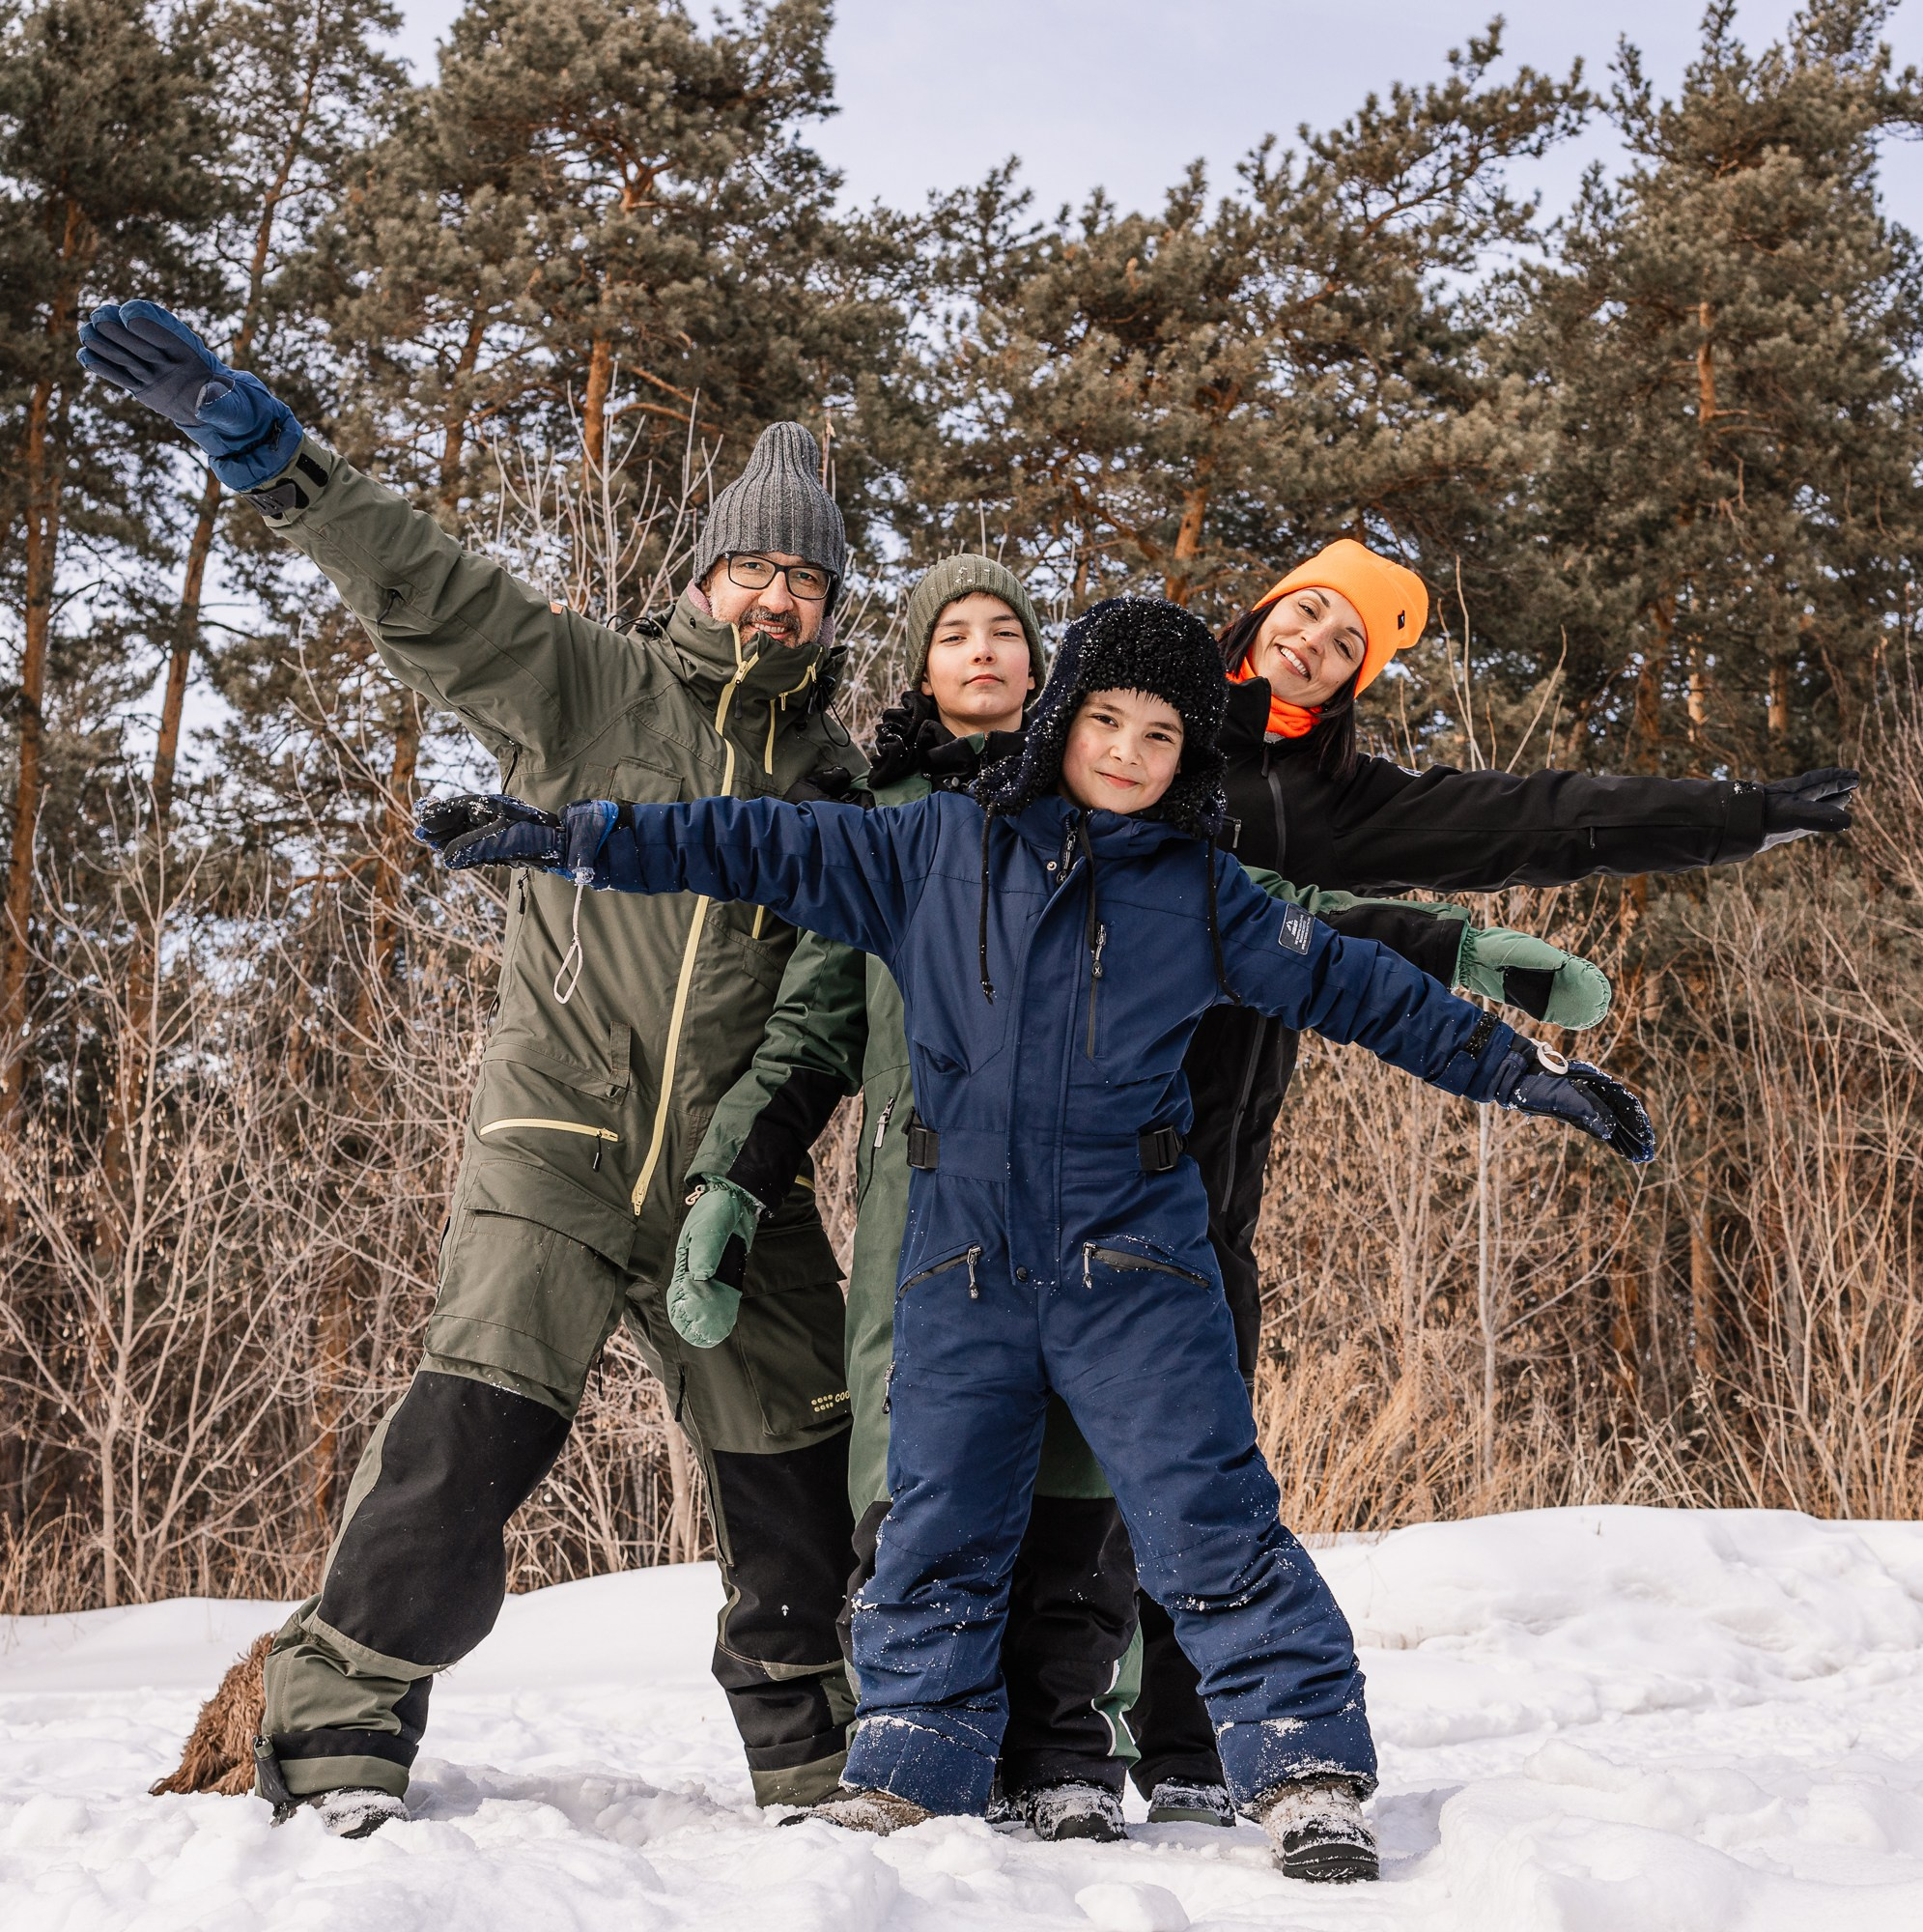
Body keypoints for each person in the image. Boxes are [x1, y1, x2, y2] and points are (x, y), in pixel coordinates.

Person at [415, 595, 1654, 1882]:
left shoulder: (1208, 895)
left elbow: (1368, 991)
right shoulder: (933, 850)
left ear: (1188, 757)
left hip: (1136, 1261)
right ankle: (910, 1766)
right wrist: (574, 836)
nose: (1127, 752)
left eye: (1161, 734)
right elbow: (752, 843)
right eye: (1106, 719)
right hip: (964, 1259)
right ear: (1062, 719)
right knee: (938, 1525)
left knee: (1206, 1516)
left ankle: (1306, 1767)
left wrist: (1534, 1078)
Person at [77, 301, 869, 1833]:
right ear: (703, 576)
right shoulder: (588, 688)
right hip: (559, 1146)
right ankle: (338, 1731)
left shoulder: (834, 783)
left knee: (797, 1462)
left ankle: (812, 1758)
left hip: (732, 1182)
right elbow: (422, 586)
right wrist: (278, 462)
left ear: (832, 611)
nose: (774, 600)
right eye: (753, 568)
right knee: (470, 1439)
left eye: (806, 581)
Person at [1122, 540, 1859, 1819]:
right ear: (1259, 612)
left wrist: (1742, 817)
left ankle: (1184, 1751)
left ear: (1360, 678)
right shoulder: (1143, 734)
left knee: (1205, 1467)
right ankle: (1035, 1741)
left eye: (1348, 642)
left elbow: (1546, 816)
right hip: (1081, 1158)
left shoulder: (1343, 802)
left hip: (1211, 1194)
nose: (1316, 642)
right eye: (1308, 613)